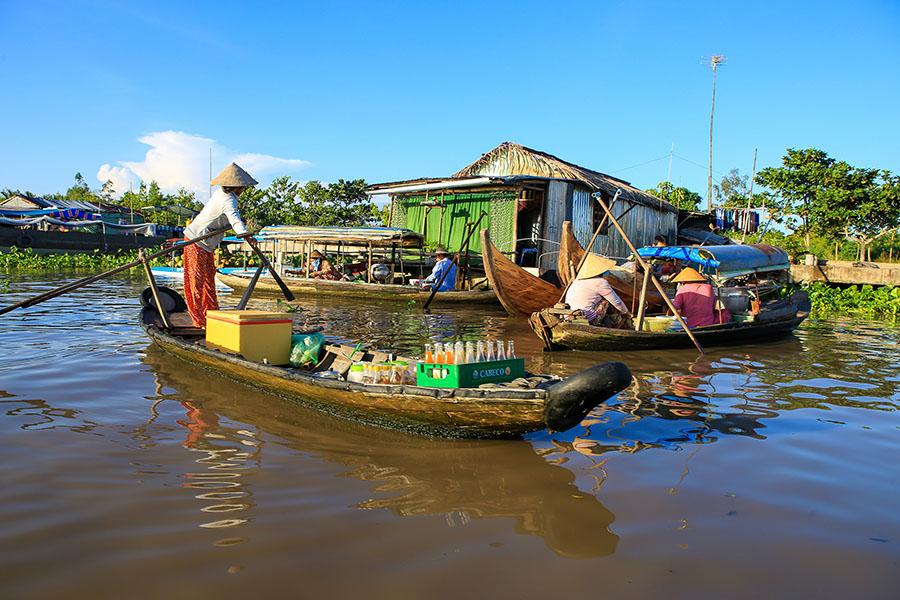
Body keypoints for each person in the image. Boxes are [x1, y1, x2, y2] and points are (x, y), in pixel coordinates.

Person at [182, 162, 257, 327]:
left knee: (209, 278)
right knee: (197, 281)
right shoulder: (228, 200)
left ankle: (211, 314)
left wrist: (245, 232)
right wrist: (245, 235)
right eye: (243, 187)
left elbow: (230, 219)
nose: (243, 190)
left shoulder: (222, 195)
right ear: (237, 187)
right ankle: (198, 320)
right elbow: (234, 218)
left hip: (206, 243)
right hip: (197, 240)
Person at [564, 254, 631, 328]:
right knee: (606, 302)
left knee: (600, 302)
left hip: (568, 316)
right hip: (586, 319)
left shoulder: (577, 281)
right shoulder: (600, 282)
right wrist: (626, 312)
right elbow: (617, 302)